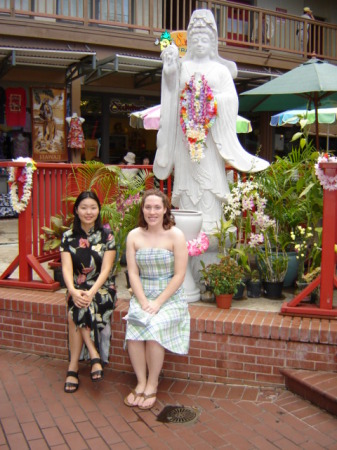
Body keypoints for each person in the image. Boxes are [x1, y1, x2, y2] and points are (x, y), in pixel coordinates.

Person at [153, 9, 269, 234]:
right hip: (186, 141)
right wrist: (169, 72)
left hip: (210, 138)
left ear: (213, 41)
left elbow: (230, 100)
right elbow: (171, 93)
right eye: (194, 38)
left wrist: (208, 102)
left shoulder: (220, 71)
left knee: (209, 185)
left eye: (204, 38)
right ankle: (185, 227)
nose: (199, 42)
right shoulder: (183, 67)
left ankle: (211, 224)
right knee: (187, 186)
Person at [124, 189, 189, 410]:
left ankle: (152, 383)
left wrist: (158, 302)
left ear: (165, 210)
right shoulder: (134, 235)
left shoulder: (176, 235)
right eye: (148, 207)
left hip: (169, 297)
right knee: (134, 328)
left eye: (157, 207)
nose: (152, 212)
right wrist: (142, 301)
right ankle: (140, 381)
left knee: (154, 329)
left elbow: (180, 274)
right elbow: (133, 273)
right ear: (142, 209)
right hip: (143, 295)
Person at [60, 191, 117, 393]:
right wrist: (73, 290)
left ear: (98, 210)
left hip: (102, 287)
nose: (88, 212)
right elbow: (66, 269)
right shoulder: (68, 236)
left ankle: (73, 368)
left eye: (93, 207)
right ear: (76, 210)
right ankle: (94, 355)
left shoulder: (107, 235)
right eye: (84, 207)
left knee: (78, 309)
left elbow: (106, 270)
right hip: (77, 286)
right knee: (77, 304)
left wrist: (90, 291)